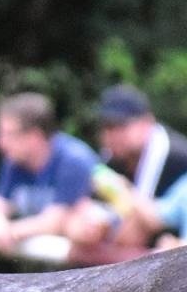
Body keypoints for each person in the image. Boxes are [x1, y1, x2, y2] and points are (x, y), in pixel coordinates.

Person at [0, 91, 99, 253]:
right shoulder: (14, 161)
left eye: (8, 134)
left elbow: (54, 222)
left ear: (34, 136)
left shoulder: (73, 160)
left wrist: (4, 232)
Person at [66, 85, 187, 252]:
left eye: (120, 126)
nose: (112, 135)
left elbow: (149, 224)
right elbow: (85, 210)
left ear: (147, 123)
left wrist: (126, 193)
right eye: (107, 126)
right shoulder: (111, 158)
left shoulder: (179, 159)